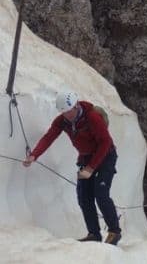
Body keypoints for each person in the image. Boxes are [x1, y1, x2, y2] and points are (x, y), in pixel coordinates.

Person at [22, 91, 122, 245]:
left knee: (101, 193)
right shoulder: (62, 121)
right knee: (84, 197)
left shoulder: (92, 118)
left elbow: (105, 142)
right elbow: (49, 137)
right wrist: (34, 155)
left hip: (105, 156)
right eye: (63, 112)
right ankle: (94, 234)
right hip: (85, 158)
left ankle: (114, 232)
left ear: (76, 106)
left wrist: (90, 168)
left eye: (68, 111)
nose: (66, 115)